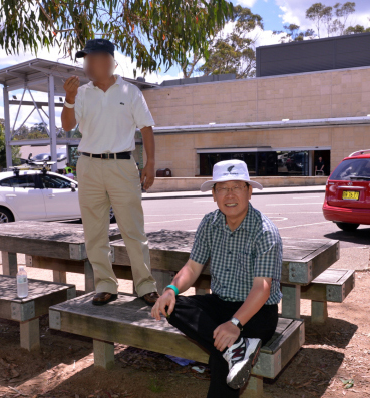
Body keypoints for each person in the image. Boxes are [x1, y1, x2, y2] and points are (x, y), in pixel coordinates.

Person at [151, 159, 283, 397]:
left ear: (249, 191)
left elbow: (262, 289)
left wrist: (234, 325)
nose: (229, 194)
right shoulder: (209, 223)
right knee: (172, 305)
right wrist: (171, 289)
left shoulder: (265, 231)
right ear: (213, 194)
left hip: (257, 311)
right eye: (222, 188)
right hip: (220, 303)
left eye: (237, 187)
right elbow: (192, 267)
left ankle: (235, 347)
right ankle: (239, 348)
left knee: (221, 352)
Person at [61, 38, 159, 306]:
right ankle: (105, 285)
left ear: (108, 60)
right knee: (94, 231)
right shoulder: (81, 93)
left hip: (122, 164)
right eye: (85, 60)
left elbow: (147, 128)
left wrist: (149, 164)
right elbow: (67, 126)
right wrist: (69, 100)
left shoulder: (130, 92)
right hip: (88, 166)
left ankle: (145, 286)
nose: (87, 65)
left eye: (91, 59)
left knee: (133, 230)